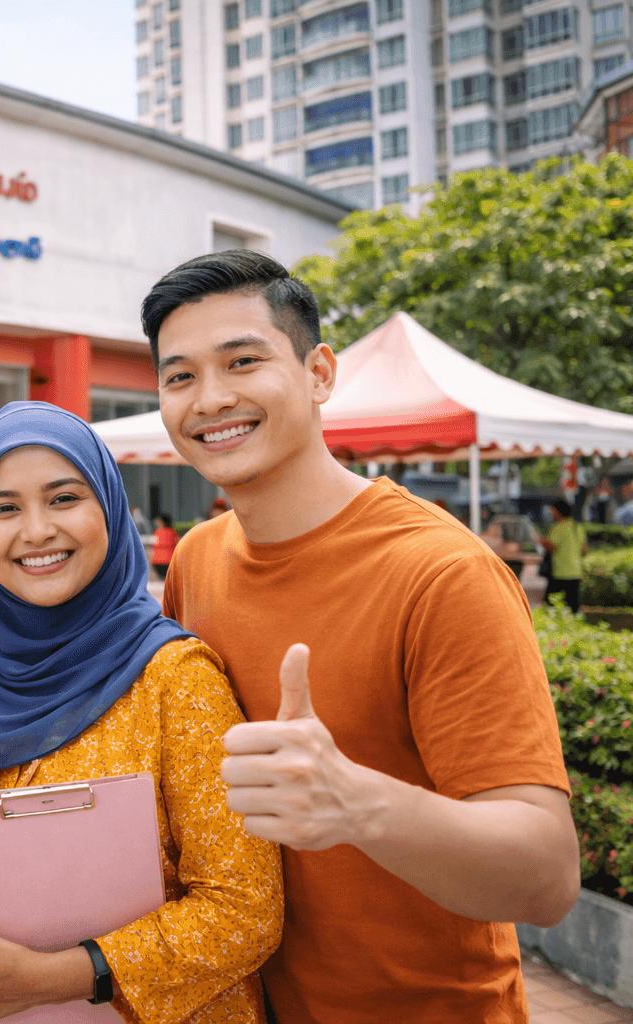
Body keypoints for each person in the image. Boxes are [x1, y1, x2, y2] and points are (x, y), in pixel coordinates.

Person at [141, 249, 577, 1022]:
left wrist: (356, 804)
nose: (211, 398)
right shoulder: (199, 562)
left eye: (243, 361)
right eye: (180, 377)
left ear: (318, 373)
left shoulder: (441, 574)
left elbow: (544, 876)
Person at [0, 402, 282, 1023]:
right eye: (5, 507)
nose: (36, 530)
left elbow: (246, 909)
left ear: (110, 510)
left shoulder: (174, 679)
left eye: (64, 498)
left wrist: (63, 975)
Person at [543, 497, 589, 613]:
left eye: (552, 511)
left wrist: (540, 541)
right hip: (576, 571)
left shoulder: (557, 528)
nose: (552, 514)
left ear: (558, 511)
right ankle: (574, 627)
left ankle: (554, 626)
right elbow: (584, 551)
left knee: (551, 603)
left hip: (560, 571)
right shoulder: (577, 527)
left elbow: (550, 547)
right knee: (573, 605)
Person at [148, 512, 177, 580]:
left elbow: (153, 544)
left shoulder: (157, 533)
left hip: (157, 561)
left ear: (161, 522)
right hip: (169, 561)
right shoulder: (173, 532)